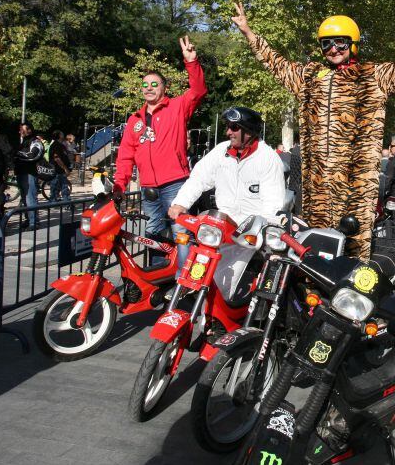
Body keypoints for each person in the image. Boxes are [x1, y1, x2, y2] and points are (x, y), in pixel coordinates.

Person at [231, 0, 395, 258]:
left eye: (340, 42)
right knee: (313, 254)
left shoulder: (374, 77)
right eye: (326, 44)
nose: (333, 49)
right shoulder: (308, 78)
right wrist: (249, 33)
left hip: (355, 189)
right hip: (316, 190)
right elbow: (276, 64)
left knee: (353, 259)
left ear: (353, 43)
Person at [168, 107, 285, 299]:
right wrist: (181, 203)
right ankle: (207, 320)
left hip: (249, 233)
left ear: (248, 131)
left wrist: (262, 231)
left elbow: (273, 203)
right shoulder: (220, 151)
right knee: (200, 275)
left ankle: (221, 323)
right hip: (220, 228)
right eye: (228, 127)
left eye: (233, 127)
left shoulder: (268, 158)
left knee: (223, 284)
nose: (228, 132)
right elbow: (198, 178)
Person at [112, 35, 207, 265]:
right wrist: (119, 186)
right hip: (149, 189)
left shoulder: (177, 107)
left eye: (154, 84)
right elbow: (125, 156)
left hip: (175, 184)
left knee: (181, 233)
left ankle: (184, 289)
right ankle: (158, 279)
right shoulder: (134, 120)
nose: (149, 88)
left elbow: (198, 90)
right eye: (145, 85)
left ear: (164, 88)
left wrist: (191, 62)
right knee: (153, 233)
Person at [15, 121, 45, 229]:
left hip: (30, 173)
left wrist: (17, 154)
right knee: (24, 198)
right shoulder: (24, 142)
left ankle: (34, 222)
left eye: (23, 129)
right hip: (21, 172)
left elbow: (33, 155)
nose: (20, 132)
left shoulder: (35, 141)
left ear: (29, 130)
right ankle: (28, 219)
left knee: (30, 198)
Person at [48, 130, 71, 202]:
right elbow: (57, 158)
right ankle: (63, 202)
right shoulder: (56, 145)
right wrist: (65, 168)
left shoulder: (60, 145)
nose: (63, 135)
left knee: (63, 187)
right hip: (57, 170)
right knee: (57, 187)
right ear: (59, 136)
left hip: (60, 170)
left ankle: (66, 202)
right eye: (62, 134)